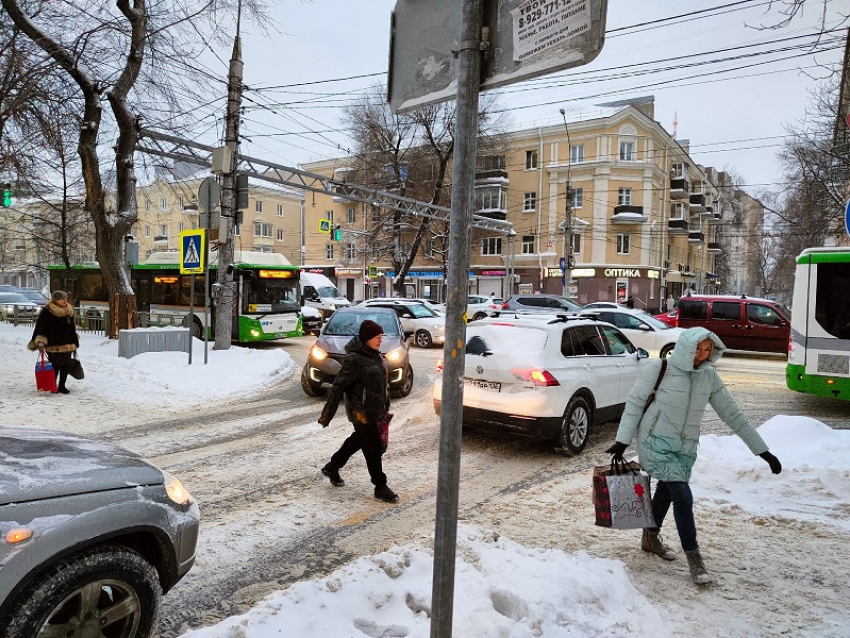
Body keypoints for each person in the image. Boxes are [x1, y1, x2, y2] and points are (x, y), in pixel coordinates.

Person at [604, 327, 782, 585]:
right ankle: (695, 559)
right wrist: (622, 440)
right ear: (687, 346)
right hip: (655, 442)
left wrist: (763, 450)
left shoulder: (708, 377)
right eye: (698, 348)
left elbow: (732, 414)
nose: (702, 354)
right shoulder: (659, 369)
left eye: (708, 349)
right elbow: (634, 404)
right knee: (682, 496)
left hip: (684, 448)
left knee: (666, 490)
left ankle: (650, 538)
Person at [318, 319, 398, 503]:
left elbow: (379, 383)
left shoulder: (375, 355)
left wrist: (385, 403)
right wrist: (327, 415)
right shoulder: (354, 359)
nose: (380, 340)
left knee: (357, 441)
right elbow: (338, 386)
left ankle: (332, 466)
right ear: (367, 338)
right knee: (373, 448)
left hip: (375, 410)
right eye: (377, 337)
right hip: (360, 412)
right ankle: (380, 486)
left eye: (381, 336)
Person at [27, 290, 80, 394]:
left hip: (67, 342)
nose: (65, 300)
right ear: (56, 300)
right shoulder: (48, 311)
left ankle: (62, 386)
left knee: (66, 365)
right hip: (53, 343)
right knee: (55, 365)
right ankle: (53, 385)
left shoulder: (68, 310)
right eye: (62, 299)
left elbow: (71, 327)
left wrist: (74, 337)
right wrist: (40, 342)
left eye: (66, 298)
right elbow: (41, 327)